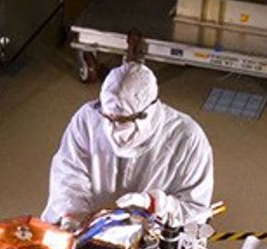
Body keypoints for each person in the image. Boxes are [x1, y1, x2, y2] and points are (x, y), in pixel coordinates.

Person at [41, 62, 215, 233]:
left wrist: (154, 204)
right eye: (108, 117)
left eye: (122, 120)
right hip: (87, 230)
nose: (112, 128)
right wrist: (72, 217)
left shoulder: (186, 138)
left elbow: (194, 209)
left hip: (149, 242)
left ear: (148, 112)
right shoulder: (88, 119)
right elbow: (68, 174)